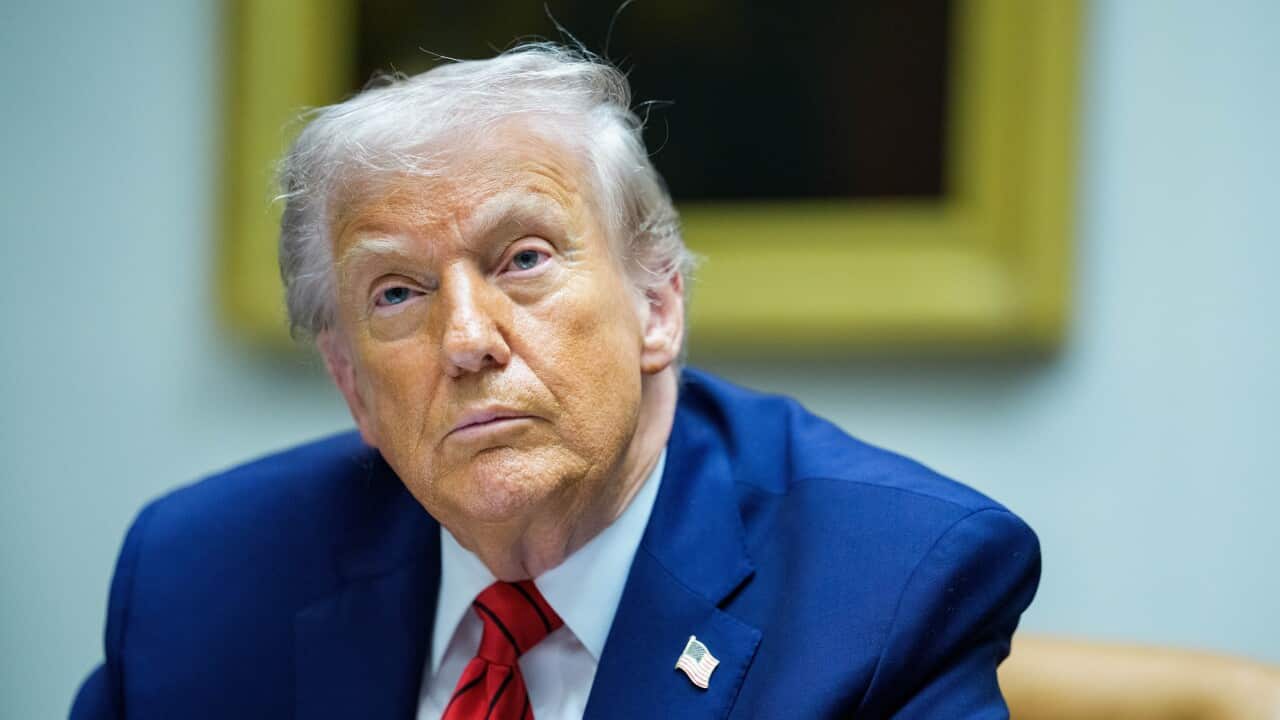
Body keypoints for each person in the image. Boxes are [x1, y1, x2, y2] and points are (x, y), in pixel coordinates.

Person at [71, 44, 1040, 719]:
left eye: (524, 259)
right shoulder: (199, 582)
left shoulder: (888, 591)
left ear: (656, 304)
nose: (466, 340)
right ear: (350, 383)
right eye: (397, 292)